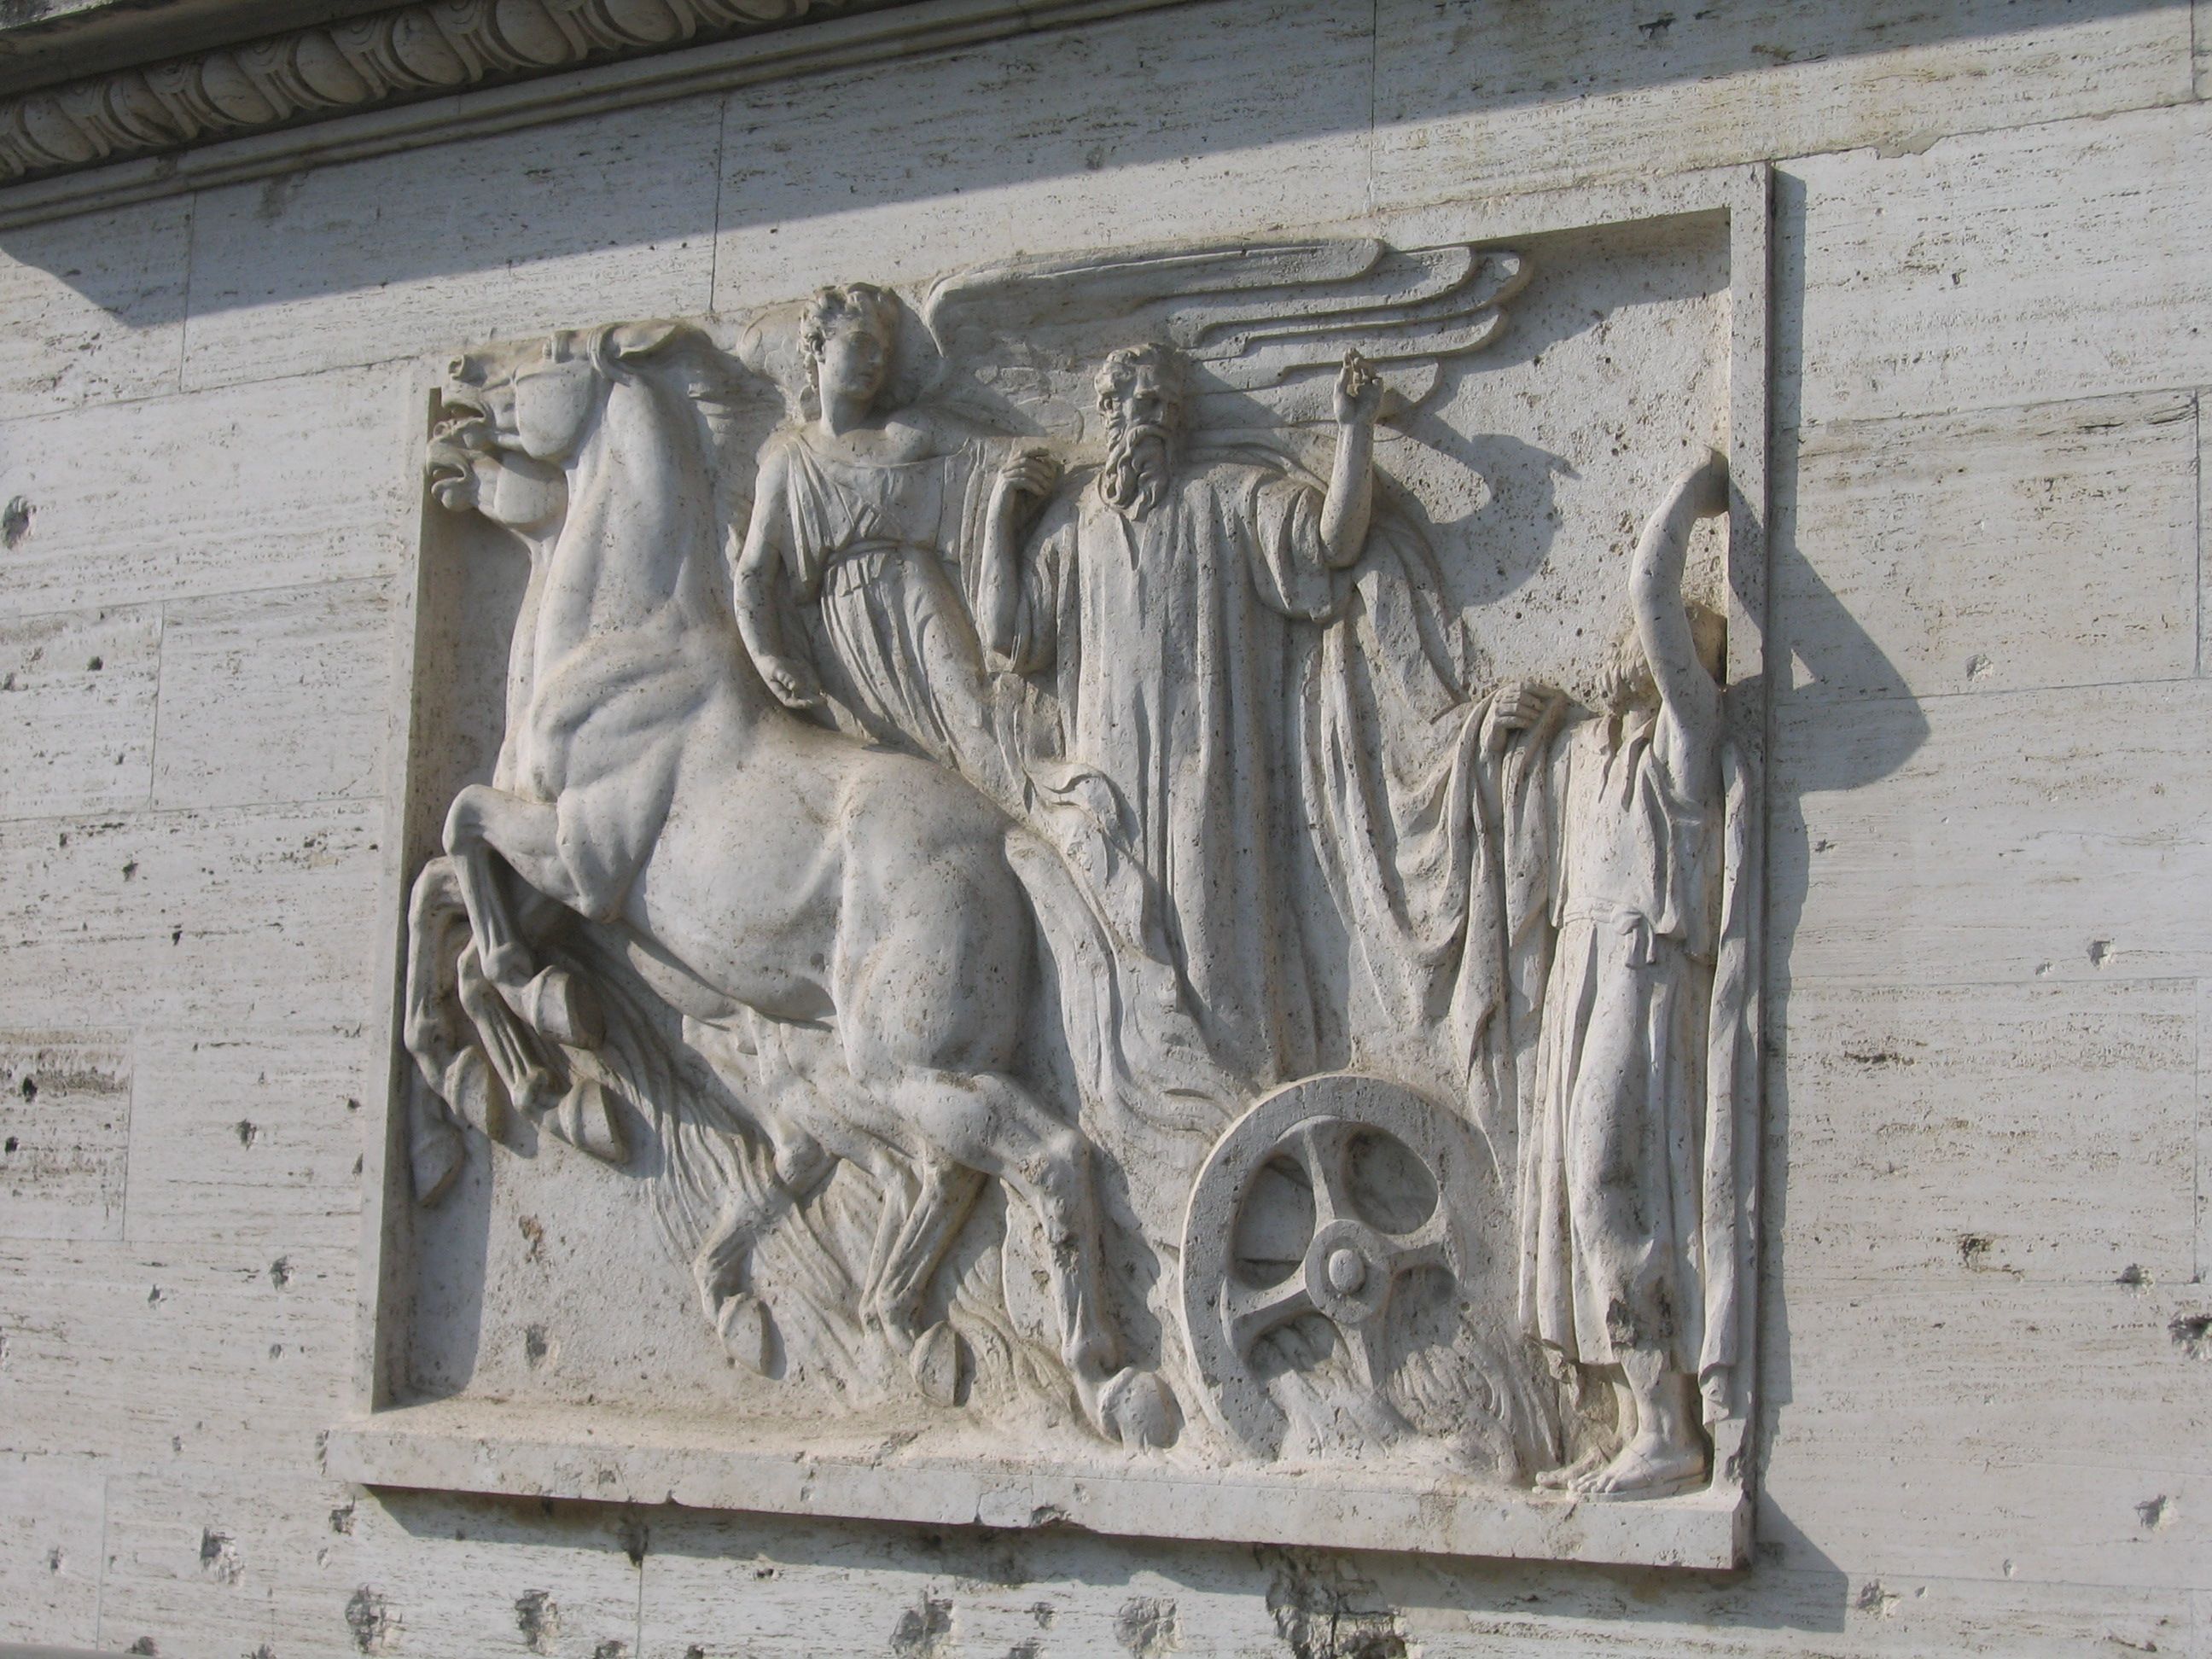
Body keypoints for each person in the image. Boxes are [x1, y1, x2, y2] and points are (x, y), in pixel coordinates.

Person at [977, 341, 1383, 1089]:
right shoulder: (1070, 528)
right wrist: (1003, 518)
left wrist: (1354, 431)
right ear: (1108, 412)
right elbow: (1005, 637)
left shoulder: (1227, 499)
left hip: (1208, 776)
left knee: (1217, 948)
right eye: (1142, 404)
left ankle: (1245, 1117)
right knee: (1119, 967)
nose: (1157, 419)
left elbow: (1331, 544)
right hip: (1106, 790)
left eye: (1170, 405)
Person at [1518, 451, 1731, 1498]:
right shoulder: (1601, 759)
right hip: (1586, 980)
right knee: (1584, 1191)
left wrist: (1691, 489)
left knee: (1614, 1181)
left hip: (1646, 983)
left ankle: (1667, 1426)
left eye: (1672, 649)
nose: (1635, 656)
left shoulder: (1688, 750)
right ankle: (1635, 1417)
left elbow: (1652, 595)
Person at [732, 283, 1025, 798]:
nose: (876, 361)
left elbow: (1008, 454)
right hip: (843, 628)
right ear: (819, 347)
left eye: (884, 351)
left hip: (918, 597)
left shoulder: (911, 433)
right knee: (882, 770)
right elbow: (755, 570)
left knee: (972, 724)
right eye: (861, 343)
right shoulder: (788, 459)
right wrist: (766, 656)